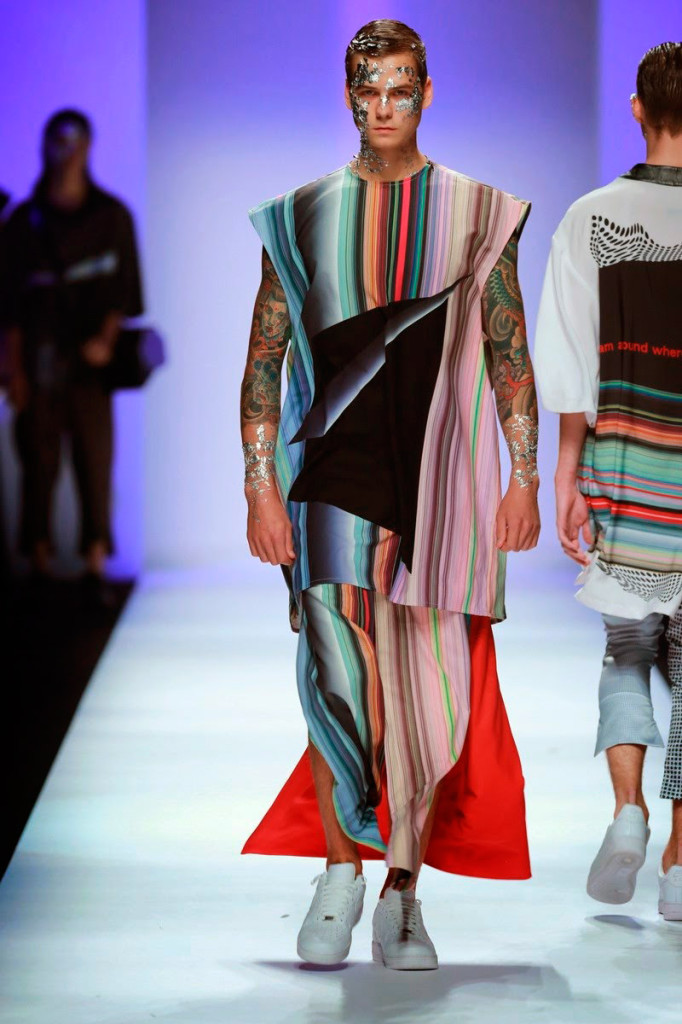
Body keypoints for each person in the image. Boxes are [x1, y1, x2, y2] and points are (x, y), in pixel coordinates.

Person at [240, 19, 540, 969]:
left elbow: (508, 345)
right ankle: (341, 870)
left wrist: (525, 475)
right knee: (334, 665)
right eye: (368, 88)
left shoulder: (477, 213)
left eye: (399, 88)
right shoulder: (302, 215)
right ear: (347, 95)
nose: (382, 106)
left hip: (440, 483)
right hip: (327, 475)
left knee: (423, 694)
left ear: (426, 93)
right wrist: (258, 485)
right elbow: (264, 355)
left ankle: (402, 894)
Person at [535, 42, 682, 921]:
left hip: (624, 464)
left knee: (628, 648)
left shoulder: (591, 220)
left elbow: (568, 358)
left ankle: (628, 811)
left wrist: (565, 472)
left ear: (637, 109)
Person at [0, 110, 143, 595]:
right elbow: (8, 305)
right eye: (55, 140)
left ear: (87, 147)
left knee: (94, 461)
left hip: (91, 364)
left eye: (73, 141)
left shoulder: (112, 216)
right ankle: (38, 563)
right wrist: (13, 369)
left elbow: (125, 291)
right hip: (38, 358)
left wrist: (106, 340)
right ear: (43, 145)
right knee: (37, 463)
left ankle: (94, 565)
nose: (64, 151)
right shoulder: (23, 221)